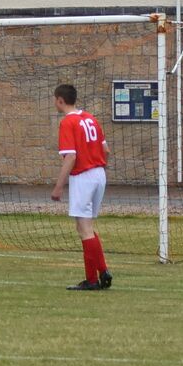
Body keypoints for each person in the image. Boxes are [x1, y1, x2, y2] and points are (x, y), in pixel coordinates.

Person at [50, 84, 112, 291]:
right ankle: (99, 273)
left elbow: (71, 156)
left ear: (60, 100)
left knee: (84, 229)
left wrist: (59, 186)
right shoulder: (90, 118)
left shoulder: (68, 122)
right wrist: (98, 168)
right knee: (86, 227)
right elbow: (106, 150)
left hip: (83, 176)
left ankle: (95, 277)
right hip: (99, 173)